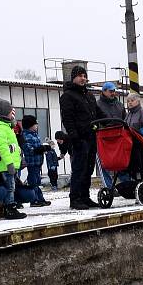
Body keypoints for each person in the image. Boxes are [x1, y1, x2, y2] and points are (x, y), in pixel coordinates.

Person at [59, 65, 98, 209]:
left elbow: (97, 113)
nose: (83, 78)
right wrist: (74, 137)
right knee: (79, 169)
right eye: (80, 75)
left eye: (84, 75)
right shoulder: (68, 96)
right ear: (73, 77)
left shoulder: (89, 96)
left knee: (88, 169)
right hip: (79, 138)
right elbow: (67, 119)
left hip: (91, 137)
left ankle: (85, 196)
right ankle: (75, 199)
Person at [0, 97, 23, 217]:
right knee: (10, 188)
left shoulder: (6, 127)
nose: (12, 115)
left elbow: (13, 146)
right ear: (3, 114)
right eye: (10, 112)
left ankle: (9, 207)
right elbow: (3, 148)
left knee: (11, 186)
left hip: (9, 165)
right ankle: (9, 208)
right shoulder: (0, 129)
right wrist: (9, 163)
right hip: (5, 166)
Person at [20, 115, 53, 207]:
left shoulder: (34, 135)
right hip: (32, 162)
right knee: (33, 181)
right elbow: (29, 149)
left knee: (37, 181)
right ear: (30, 125)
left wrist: (45, 147)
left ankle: (40, 199)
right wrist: (42, 148)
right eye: (35, 124)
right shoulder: (26, 136)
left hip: (38, 162)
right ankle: (34, 200)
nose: (37, 126)